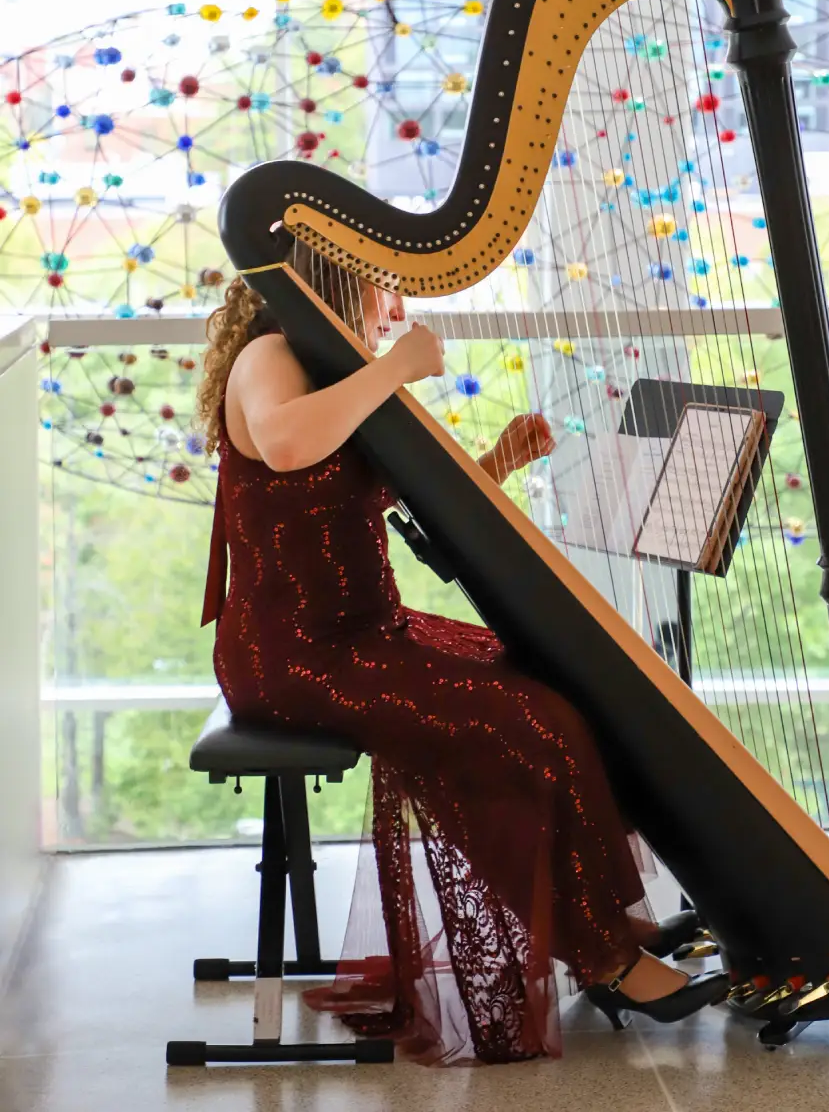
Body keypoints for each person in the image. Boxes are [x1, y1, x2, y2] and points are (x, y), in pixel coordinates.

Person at [195, 250, 729, 1065]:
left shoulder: (347, 369)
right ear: (334, 279)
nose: (397, 297)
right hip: (295, 656)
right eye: (382, 278)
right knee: (522, 722)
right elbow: (286, 441)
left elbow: (415, 508)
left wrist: (503, 459)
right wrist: (400, 366)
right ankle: (605, 957)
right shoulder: (272, 357)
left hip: (367, 631)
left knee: (552, 685)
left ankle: (600, 926)